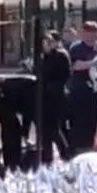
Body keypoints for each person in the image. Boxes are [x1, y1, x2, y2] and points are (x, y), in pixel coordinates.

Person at [0, 76, 37, 172]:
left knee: (12, 129)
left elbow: (28, 113)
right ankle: (11, 163)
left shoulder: (15, 93)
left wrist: (25, 133)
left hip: (32, 98)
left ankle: (13, 163)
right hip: (16, 101)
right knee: (9, 128)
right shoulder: (1, 92)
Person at [66, 20, 97, 153]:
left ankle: (91, 145)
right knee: (79, 122)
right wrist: (94, 62)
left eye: (95, 33)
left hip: (95, 91)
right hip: (79, 91)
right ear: (83, 34)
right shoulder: (76, 48)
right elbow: (76, 65)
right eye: (89, 33)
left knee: (93, 121)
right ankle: (76, 149)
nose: (92, 36)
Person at [38, 31, 71, 163]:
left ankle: (65, 154)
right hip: (44, 97)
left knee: (54, 129)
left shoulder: (61, 55)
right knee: (45, 130)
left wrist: (51, 86)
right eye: (45, 42)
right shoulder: (44, 57)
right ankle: (47, 159)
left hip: (56, 97)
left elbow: (64, 75)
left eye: (50, 41)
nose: (46, 44)